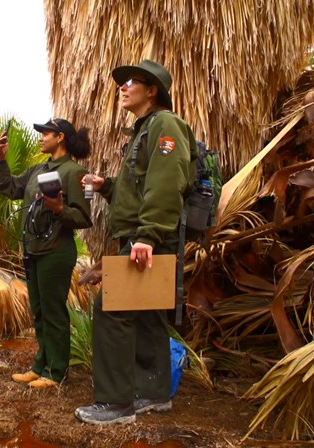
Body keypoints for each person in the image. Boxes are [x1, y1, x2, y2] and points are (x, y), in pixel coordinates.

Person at [74, 60, 197, 424]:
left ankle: (115, 403)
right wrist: (107, 186)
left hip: (150, 239)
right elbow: (141, 189)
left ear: (152, 90)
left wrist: (146, 235)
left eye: (130, 82)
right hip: (148, 237)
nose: (122, 87)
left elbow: (166, 182)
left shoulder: (165, 125)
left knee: (110, 310)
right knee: (148, 316)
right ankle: (155, 393)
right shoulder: (145, 131)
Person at [0, 118, 93, 388]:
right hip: (33, 250)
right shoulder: (38, 169)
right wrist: (1, 160)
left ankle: (56, 372)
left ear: (60, 137)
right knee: (38, 310)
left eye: (45, 133)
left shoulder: (75, 172)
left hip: (56, 252)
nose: (41, 137)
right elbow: (9, 187)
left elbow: (84, 217)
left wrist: (60, 209)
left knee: (53, 311)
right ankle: (41, 365)